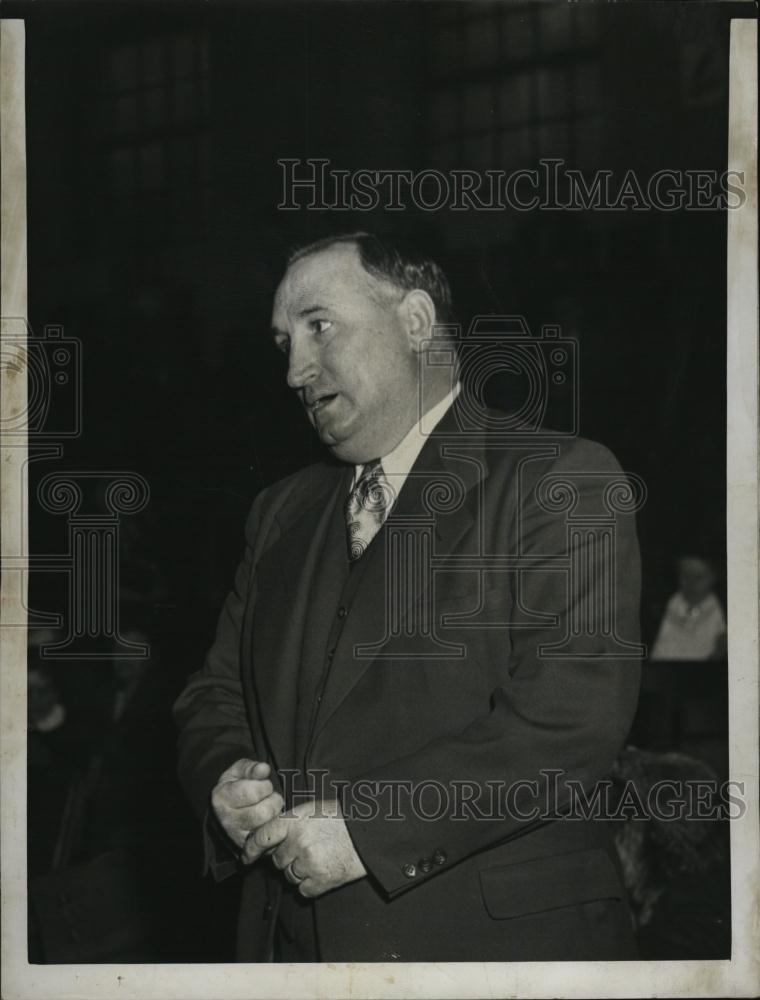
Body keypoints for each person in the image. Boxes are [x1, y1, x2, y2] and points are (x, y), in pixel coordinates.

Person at [173, 232, 642, 962]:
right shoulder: (279, 513)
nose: (295, 371)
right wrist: (226, 779)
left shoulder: (557, 479)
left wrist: (367, 829)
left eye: (319, 326)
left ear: (417, 321)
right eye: (284, 343)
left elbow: (570, 720)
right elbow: (214, 694)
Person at [650, 556, 727, 661]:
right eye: (685, 575)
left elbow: (722, 644)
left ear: (714, 578)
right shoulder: (667, 602)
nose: (691, 582)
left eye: (699, 577)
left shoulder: (719, 609)